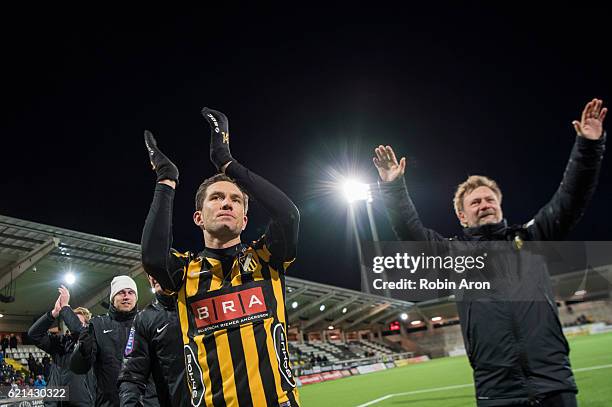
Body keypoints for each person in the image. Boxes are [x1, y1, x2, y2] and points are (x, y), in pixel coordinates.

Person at [373, 99, 607, 407]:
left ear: (499, 206)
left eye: (489, 199)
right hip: (497, 393)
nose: (484, 204)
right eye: (475, 202)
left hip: (554, 385)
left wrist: (589, 146)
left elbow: (570, 199)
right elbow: (410, 232)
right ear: (462, 216)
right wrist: (392, 187)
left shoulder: (532, 238)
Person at [141, 107, 301, 407]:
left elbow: (288, 215)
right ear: (198, 217)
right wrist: (166, 180)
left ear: (244, 218)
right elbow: (152, 256)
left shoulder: (267, 259)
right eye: (216, 198)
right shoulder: (184, 272)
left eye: (235, 200)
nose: (226, 202)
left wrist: (227, 163)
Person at [70, 275, 141, 407]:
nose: (126, 296)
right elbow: (78, 368)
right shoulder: (97, 325)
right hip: (109, 403)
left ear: (136, 297)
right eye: (121, 292)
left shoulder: (147, 323)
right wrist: (82, 350)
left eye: (130, 292)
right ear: (113, 298)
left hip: (143, 402)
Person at [117, 275, 187, 407]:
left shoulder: (202, 303)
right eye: (149, 274)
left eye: (157, 269)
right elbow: (132, 374)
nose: (153, 277)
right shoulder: (145, 318)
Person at [28, 285, 95, 407]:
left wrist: (65, 308)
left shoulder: (92, 342)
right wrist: (53, 314)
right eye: (70, 320)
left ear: (86, 326)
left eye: (77, 321)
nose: (71, 324)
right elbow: (33, 335)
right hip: (53, 402)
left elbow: (79, 331)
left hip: (81, 403)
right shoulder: (61, 343)